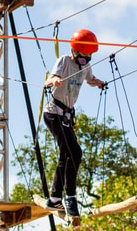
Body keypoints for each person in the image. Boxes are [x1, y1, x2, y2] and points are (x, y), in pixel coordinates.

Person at [43, 29, 105, 217]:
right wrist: (54, 80)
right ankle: (70, 196)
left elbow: (89, 80)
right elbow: (50, 78)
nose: (86, 59)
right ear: (76, 51)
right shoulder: (64, 61)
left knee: (66, 155)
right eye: (84, 55)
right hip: (54, 114)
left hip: (67, 117)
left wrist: (98, 83)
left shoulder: (85, 68)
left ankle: (54, 199)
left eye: (89, 56)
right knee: (74, 153)